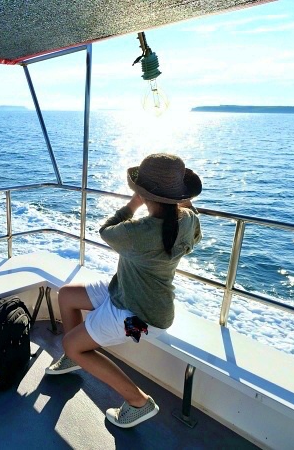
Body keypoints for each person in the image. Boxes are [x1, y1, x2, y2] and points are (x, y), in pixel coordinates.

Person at [45, 153, 202, 428]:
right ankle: (75, 356)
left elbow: (106, 230)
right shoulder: (187, 221)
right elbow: (192, 221)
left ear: (145, 195)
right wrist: (180, 200)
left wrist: (133, 203)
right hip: (126, 292)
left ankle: (139, 402)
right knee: (67, 295)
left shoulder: (139, 231)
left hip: (141, 319)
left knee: (71, 342)